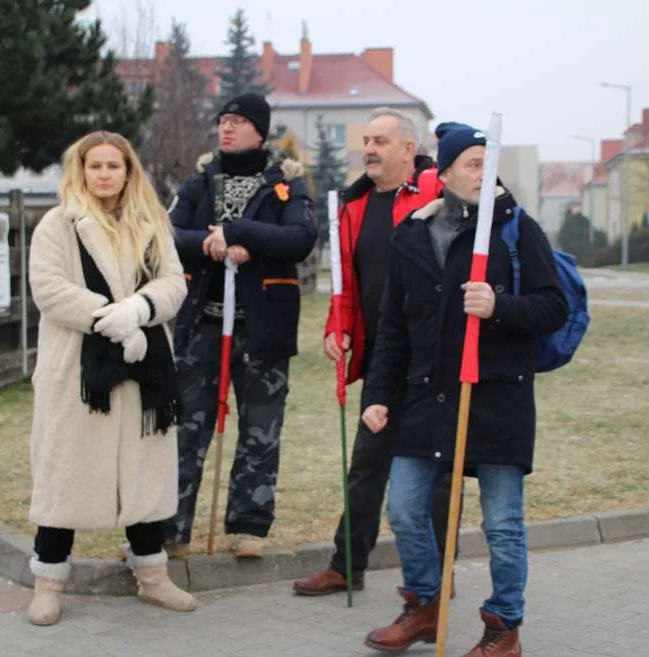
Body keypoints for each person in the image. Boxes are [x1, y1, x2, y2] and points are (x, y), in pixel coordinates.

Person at [361, 122, 568, 655]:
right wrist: (378, 395)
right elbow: (393, 328)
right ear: (445, 171)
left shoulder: (515, 230)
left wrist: (499, 307)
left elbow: (553, 306)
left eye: (489, 162)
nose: (483, 172)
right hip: (427, 397)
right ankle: (426, 605)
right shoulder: (410, 234)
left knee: (501, 523)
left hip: (496, 396)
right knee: (405, 507)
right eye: (473, 162)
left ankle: (503, 629)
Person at [26, 130, 195, 626]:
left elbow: (173, 283)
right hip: (79, 371)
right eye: (95, 166)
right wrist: (111, 318)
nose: (104, 175)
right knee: (66, 472)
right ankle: (49, 582)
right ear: (81, 171)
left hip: (148, 367)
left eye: (113, 166)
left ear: (128, 171)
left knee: (144, 472)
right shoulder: (57, 225)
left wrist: (140, 309)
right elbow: (49, 289)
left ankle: (153, 577)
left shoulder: (150, 222)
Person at [292, 107, 458, 597]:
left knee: (438, 476)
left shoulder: (434, 192)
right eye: (366, 139)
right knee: (366, 465)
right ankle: (346, 566)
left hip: (436, 363)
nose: (369, 148)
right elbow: (345, 282)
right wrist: (336, 326)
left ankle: (437, 579)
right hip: (385, 361)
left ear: (408, 149)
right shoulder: (352, 207)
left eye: (381, 140)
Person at [164, 93, 318, 559]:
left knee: (260, 427)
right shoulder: (199, 182)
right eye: (222, 121)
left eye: (237, 121)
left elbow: (300, 238)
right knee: (186, 428)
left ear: (259, 130)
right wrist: (212, 243)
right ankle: (171, 528)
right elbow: (170, 236)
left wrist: (243, 235)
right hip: (202, 326)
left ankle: (248, 526)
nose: (226, 129)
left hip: (262, 328)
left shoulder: (287, 183)